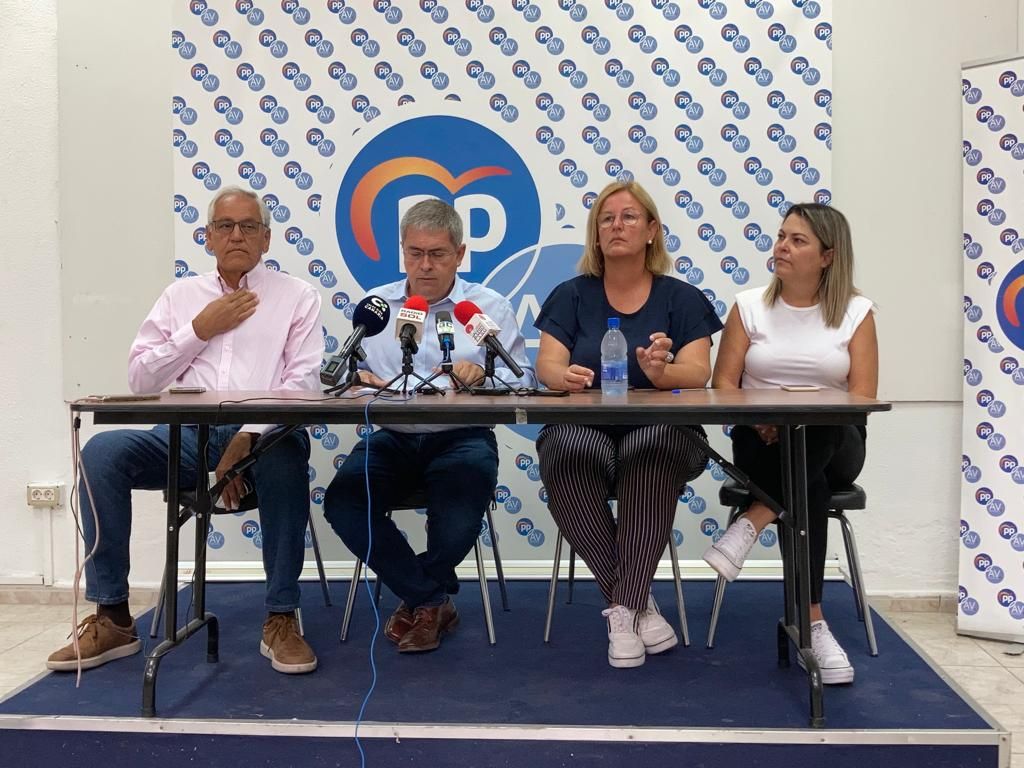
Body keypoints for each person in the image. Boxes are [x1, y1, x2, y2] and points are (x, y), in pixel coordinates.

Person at [48, 187, 323, 675]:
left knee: (285, 453)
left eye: (248, 227)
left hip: (264, 439)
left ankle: (281, 617)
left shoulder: (296, 296)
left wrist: (247, 436)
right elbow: (143, 379)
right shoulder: (181, 297)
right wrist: (199, 328)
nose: (236, 235)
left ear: (266, 239)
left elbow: (301, 384)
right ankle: (112, 616)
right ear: (207, 237)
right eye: (224, 226)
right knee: (102, 453)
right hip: (186, 436)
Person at [323, 199, 535, 654]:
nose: (425, 264)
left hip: (461, 438)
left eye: (437, 254)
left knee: (460, 510)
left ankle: (421, 600)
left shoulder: (486, 308)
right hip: (392, 438)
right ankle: (431, 598)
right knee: (343, 502)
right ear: (402, 252)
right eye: (415, 253)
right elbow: (345, 379)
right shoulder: (375, 309)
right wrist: (366, 384)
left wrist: (484, 377)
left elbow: (526, 381)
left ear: (460, 254)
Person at [533, 180, 723, 668]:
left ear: (653, 230)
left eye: (629, 217)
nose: (616, 225)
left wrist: (662, 373)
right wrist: (565, 376)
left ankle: (623, 608)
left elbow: (699, 373)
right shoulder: (571, 295)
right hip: (589, 429)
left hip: (665, 432)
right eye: (606, 218)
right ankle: (637, 606)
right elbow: (546, 367)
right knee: (566, 452)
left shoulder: (681, 298)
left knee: (650, 449)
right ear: (596, 235)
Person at [704, 202, 878, 684]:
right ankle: (813, 621)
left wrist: (797, 417)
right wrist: (762, 417)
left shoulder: (856, 312)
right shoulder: (748, 305)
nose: (782, 246)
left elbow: (862, 396)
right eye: (781, 236)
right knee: (810, 490)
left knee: (819, 419)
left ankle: (753, 519)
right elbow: (723, 387)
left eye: (797, 240)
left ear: (828, 255)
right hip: (761, 443)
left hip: (836, 442)